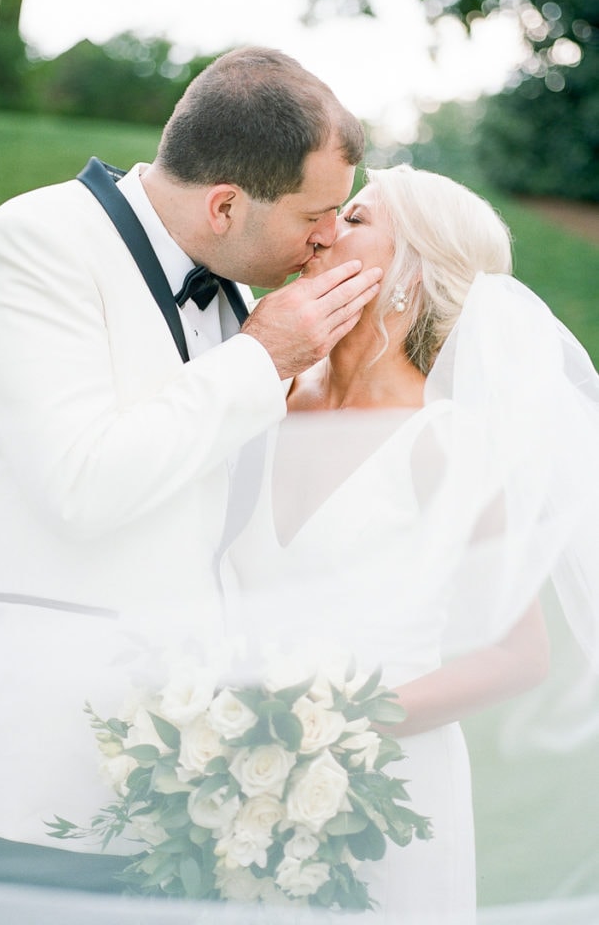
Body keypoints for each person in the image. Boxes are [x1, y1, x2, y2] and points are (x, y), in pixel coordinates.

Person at [0, 46, 384, 919]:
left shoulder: (239, 298)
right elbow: (82, 485)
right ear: (224, 204)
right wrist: (263, 358)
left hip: (196, 788)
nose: (328, 236)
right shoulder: (36, 244)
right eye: (318, 213)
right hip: (43, 782)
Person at [223, 164, 599, 923]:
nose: (324, 229)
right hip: (240, 780)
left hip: (385, 786)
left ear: (411, 271)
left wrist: (327, 723)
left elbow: (518, 657)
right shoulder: (268, 391)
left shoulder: (442, 441)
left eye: (356, 219)